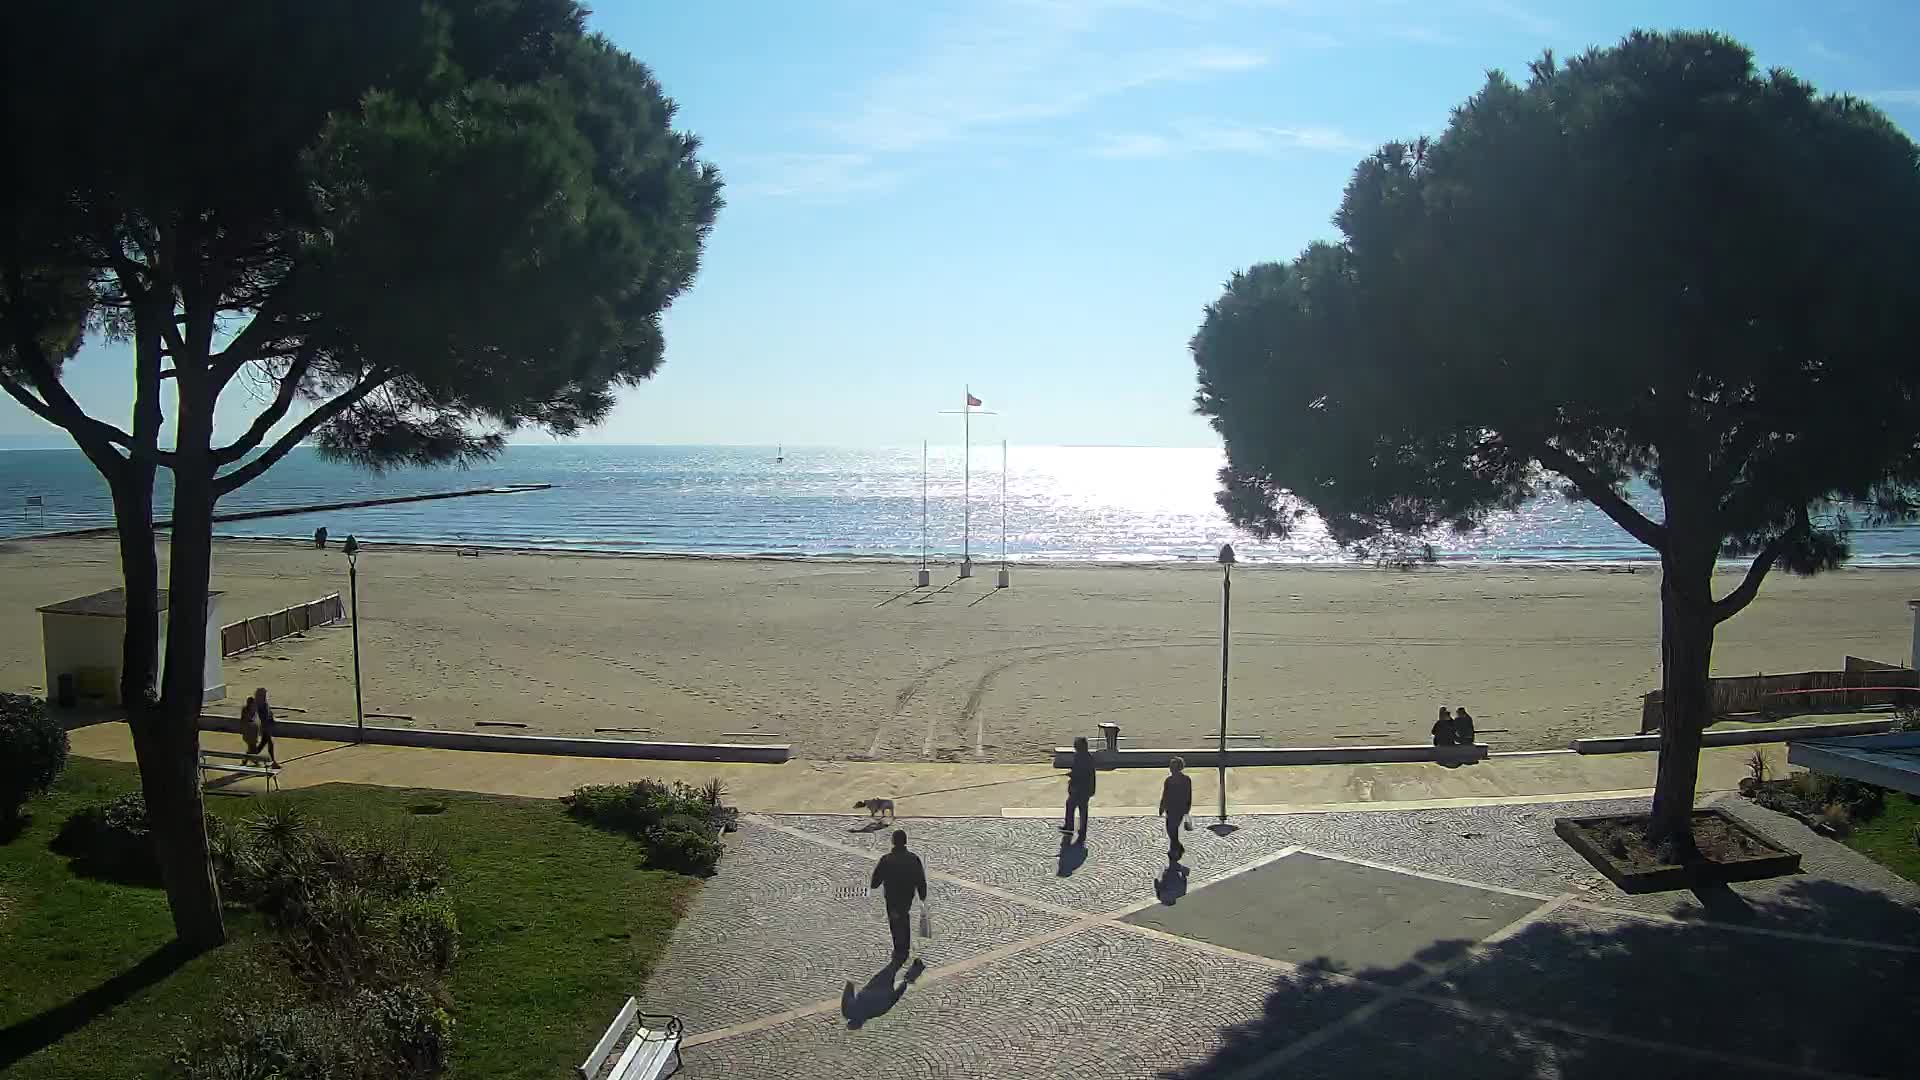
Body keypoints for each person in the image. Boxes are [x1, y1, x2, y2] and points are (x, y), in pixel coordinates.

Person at [869, 829, 928, 964]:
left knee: (894, 922)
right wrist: (922, 894)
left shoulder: (886, 859)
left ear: (893, 842)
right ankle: (905, 947)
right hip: (907, 896)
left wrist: (876, 883)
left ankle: (898, 947)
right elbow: (920, 879)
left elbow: (875, 882)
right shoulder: (913, 858)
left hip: (892, 897)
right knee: (904, 916)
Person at [1159, 756, 1193, 871]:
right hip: (1171, 808)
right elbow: (1165, 794)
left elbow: (1188, 795)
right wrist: (1162, 806)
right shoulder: (1169, 780)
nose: (1170, 769)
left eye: (1172, 767)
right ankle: (1177, 848)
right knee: (1170, 829)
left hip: (1179, 808)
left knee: (1172, 829)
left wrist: (1187, 809)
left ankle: (1175, 850)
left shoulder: (1186, 780)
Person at [1062, 736, 1096, 844]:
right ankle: (1081, 832)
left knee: (1071, 806)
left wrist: (1072, 775)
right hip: (1085, 789)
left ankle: (1069, 827)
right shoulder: (1087, 757)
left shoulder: (1080, 757)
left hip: (1079, 788)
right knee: (1082, 810)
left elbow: (1080, 773)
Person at [254, 686, 278, 764]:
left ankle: (248, 758)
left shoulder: (264, 703)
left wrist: (272, 719)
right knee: (270, 743)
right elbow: (261, 718)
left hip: (267, 727)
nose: (265, 696)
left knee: (262, 745)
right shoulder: (259, 705)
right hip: (265, 728)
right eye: (263, 694)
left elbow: (269, 713)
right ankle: (273, 761)